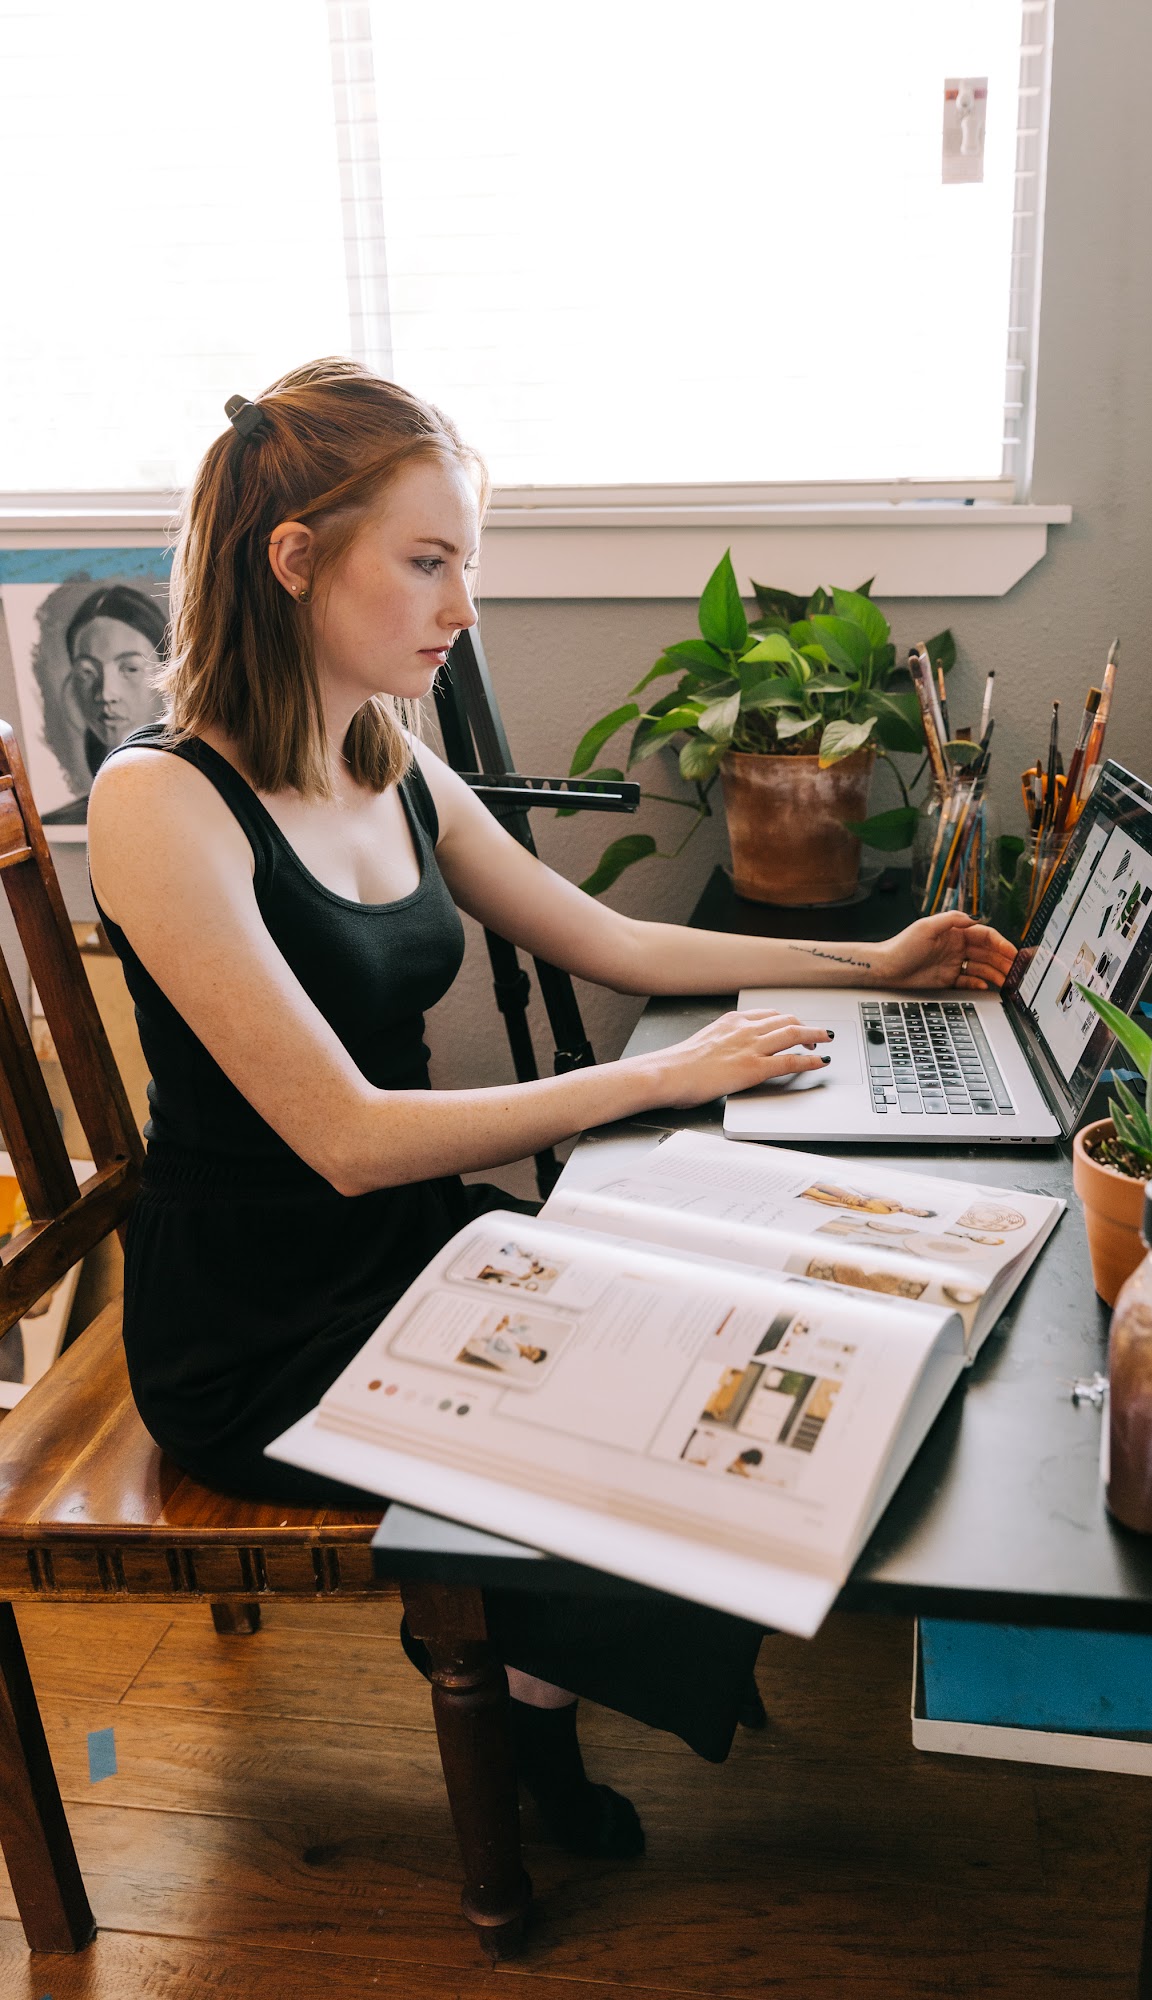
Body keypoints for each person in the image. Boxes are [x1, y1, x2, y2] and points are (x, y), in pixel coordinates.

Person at [86, 357, 1017, 1861]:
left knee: (719, 1312)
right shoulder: (162, 801)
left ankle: (535, 1666)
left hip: (409, 1249)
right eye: (432, 561)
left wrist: (871, 958)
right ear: (296, 560)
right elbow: (340, 1136)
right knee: (628, 1381)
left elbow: (619, 942)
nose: (465, 606)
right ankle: (525, 1691)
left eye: (472, 564)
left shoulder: (390, 760)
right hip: (260, 1328)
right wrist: (653, 1079)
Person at [41, 583, 167, 824]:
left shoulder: (203, 803)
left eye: (130, 668)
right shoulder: (65, 819)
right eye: (87, 672)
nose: (106, 693)